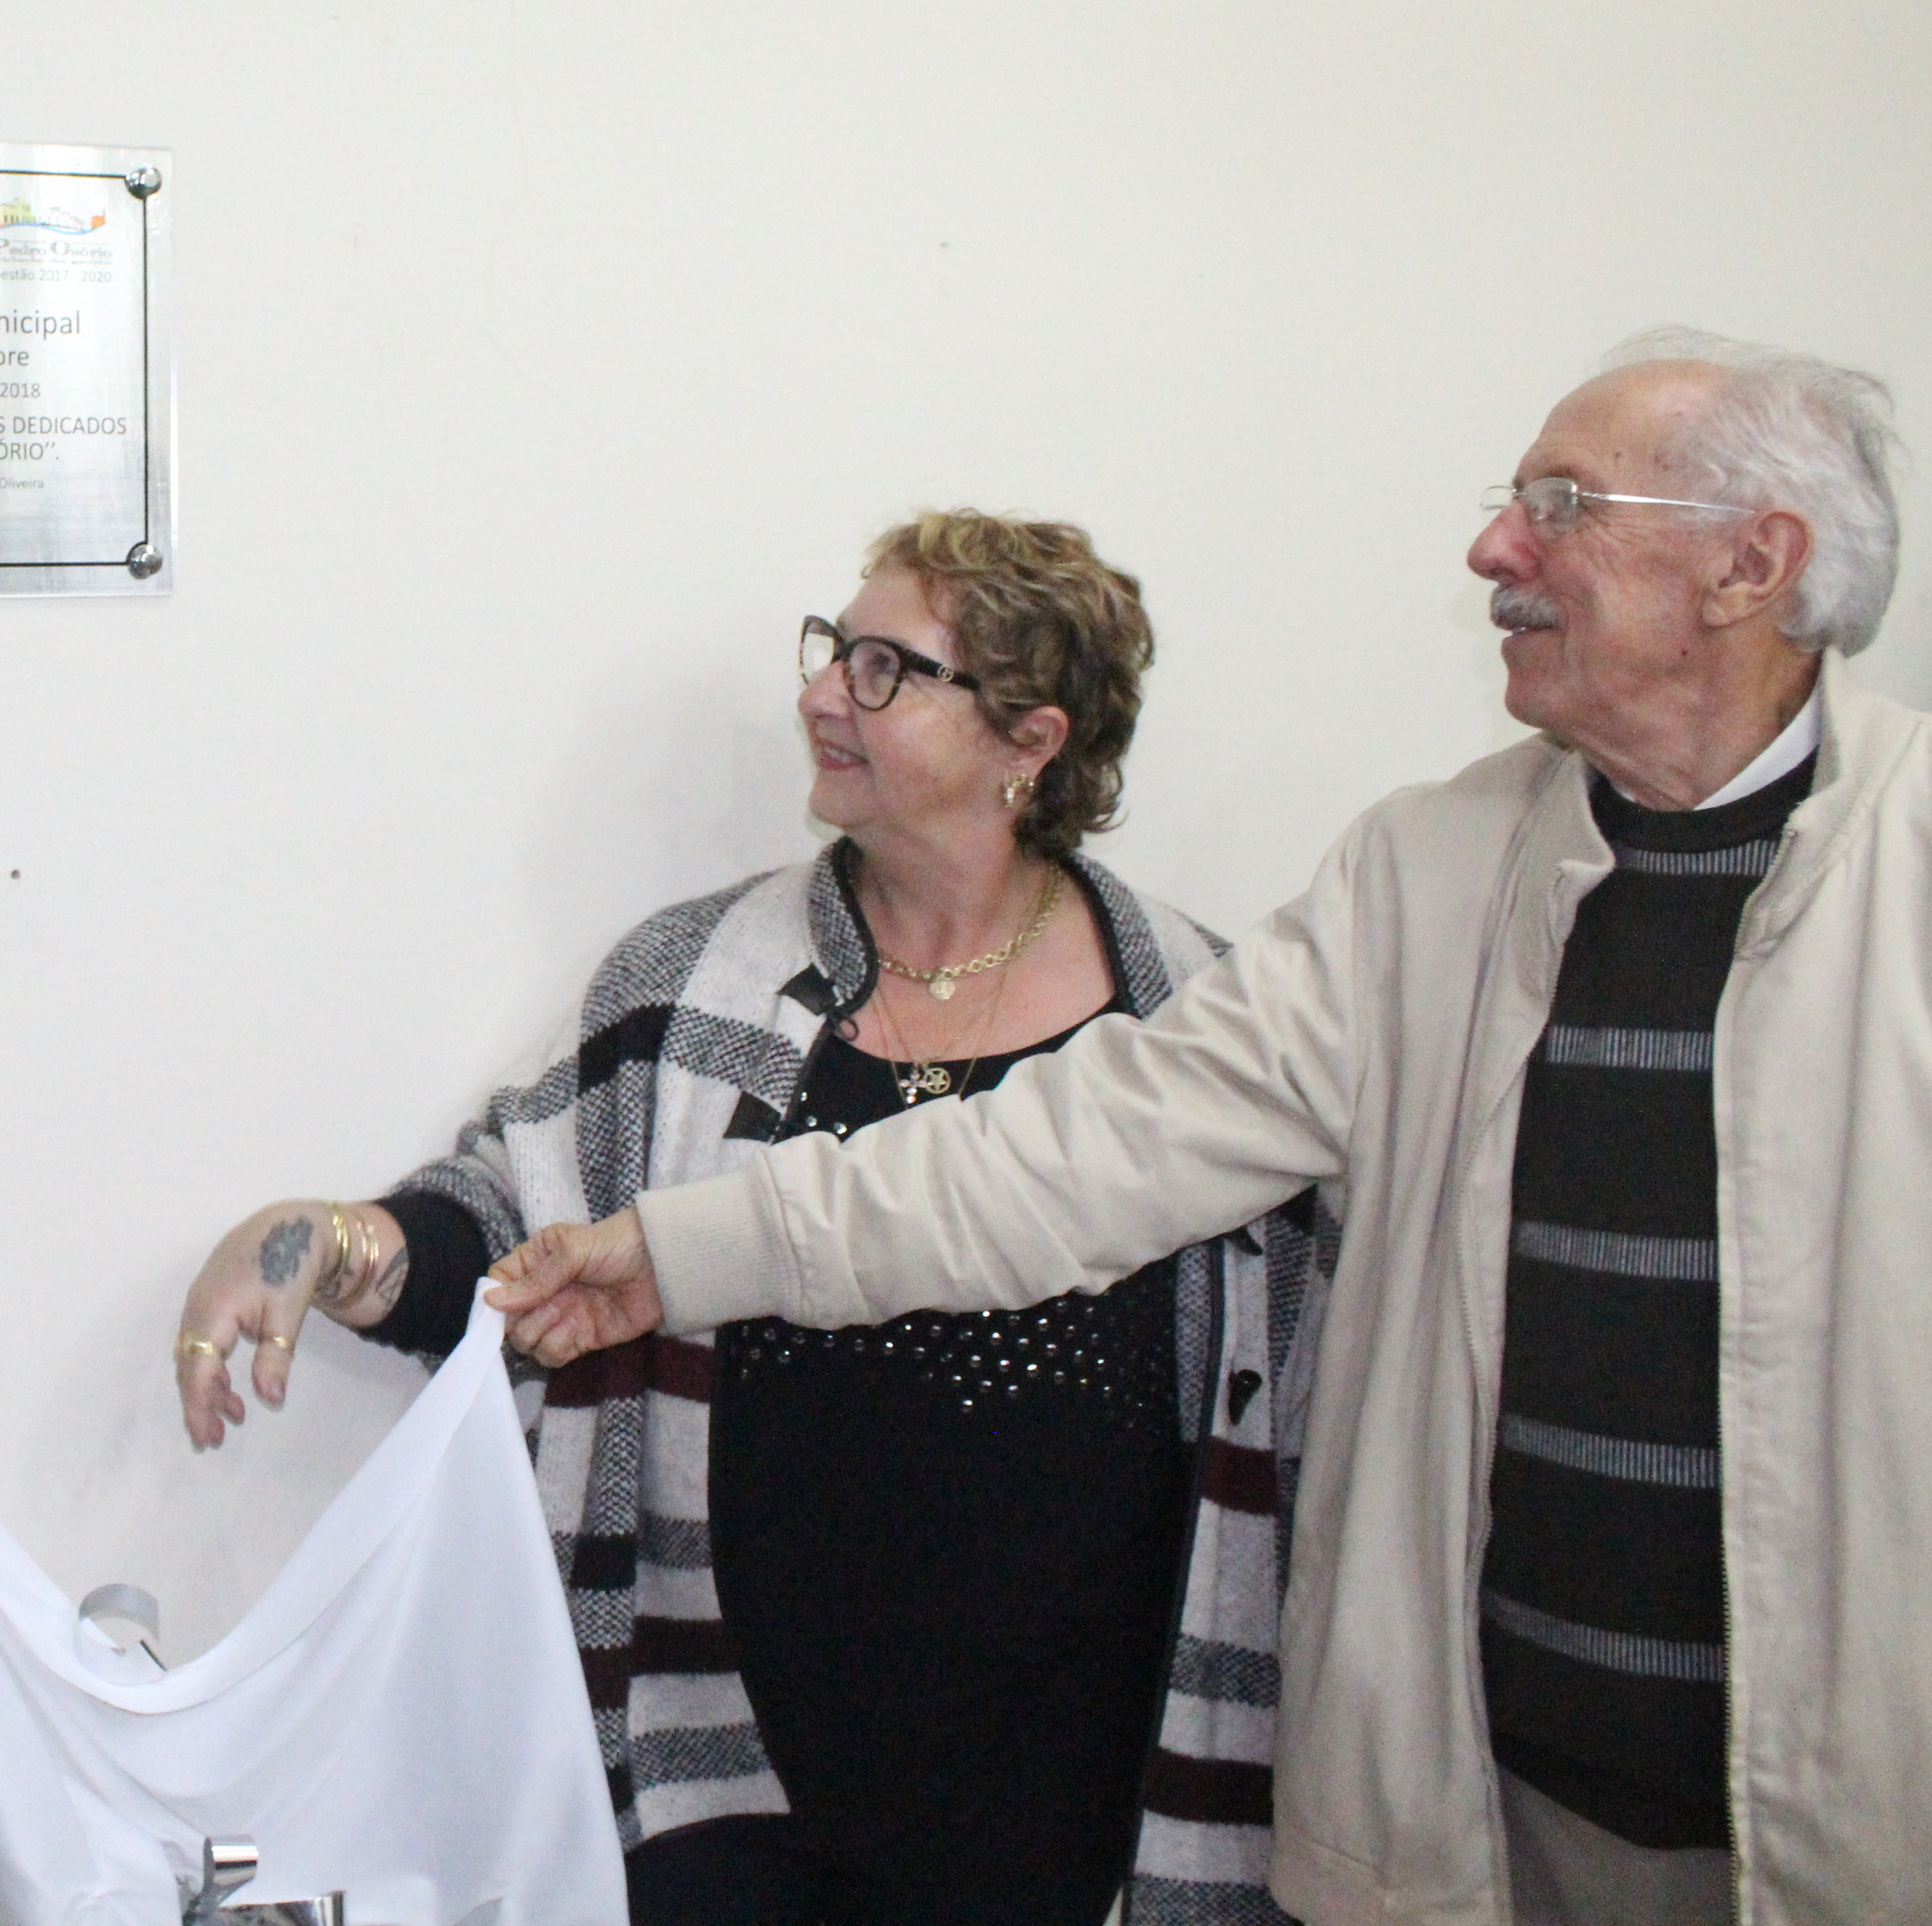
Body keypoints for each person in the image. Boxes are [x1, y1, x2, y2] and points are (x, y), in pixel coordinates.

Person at [490, 335, 1924, 1926]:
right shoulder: (1427, 876)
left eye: (1561, 504)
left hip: (1862, 1826)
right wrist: (679, 1249)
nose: (1493, 548)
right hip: (1496, 1817)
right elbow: (1069, 1152)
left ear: (1753, 565)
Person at [178, 512, 1322, 1926]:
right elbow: (516, 1231)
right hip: (729, 1768)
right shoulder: (697, 981)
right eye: (833, 649)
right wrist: (328, 1245)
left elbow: (1312, 1395)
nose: (823, 692)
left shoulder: (1199, 1023)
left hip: (1078, 1789)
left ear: (1031, 738)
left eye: (889, 669)